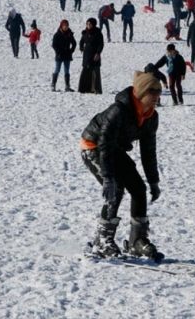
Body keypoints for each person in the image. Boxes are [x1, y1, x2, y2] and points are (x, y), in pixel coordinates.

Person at [80, 71, 163, 260]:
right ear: (142, 93)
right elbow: (105, 143)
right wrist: (108, 177)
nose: (157, 97)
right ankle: (102, 240)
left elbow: (148, 151)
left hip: (114, 149)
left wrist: (153, 181)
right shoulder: (118, 110)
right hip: (94, 146)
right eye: (153, 93)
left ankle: (137, 241)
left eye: (159, 93)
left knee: (139, 189)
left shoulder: (151, 117)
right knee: (116, 189)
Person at [78, 18, 104, 94]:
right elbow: (81, 41)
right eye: (87, 24)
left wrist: (98, 53)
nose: (88, 25)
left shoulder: (98, 33)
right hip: (86, 54)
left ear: (93, 24)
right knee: (85, 71)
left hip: (95, 54)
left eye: (90, 24)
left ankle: (96, 89)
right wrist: (81, 47)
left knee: (95, 72)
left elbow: (101, 44)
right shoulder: (85, 33)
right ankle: (84, 89)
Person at [51, 19, 77, 92]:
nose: (65, 27)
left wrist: (71, 51)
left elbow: (74, 43)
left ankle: (67, 86)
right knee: (57, 70)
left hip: (67, 55)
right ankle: (53, 84)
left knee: (67, 71)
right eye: (64, 26)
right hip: (59, 55)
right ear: (61, 26)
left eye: (67, 26)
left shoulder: (69, 34)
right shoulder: (57, 34)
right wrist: (58, 52)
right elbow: (54, 45)